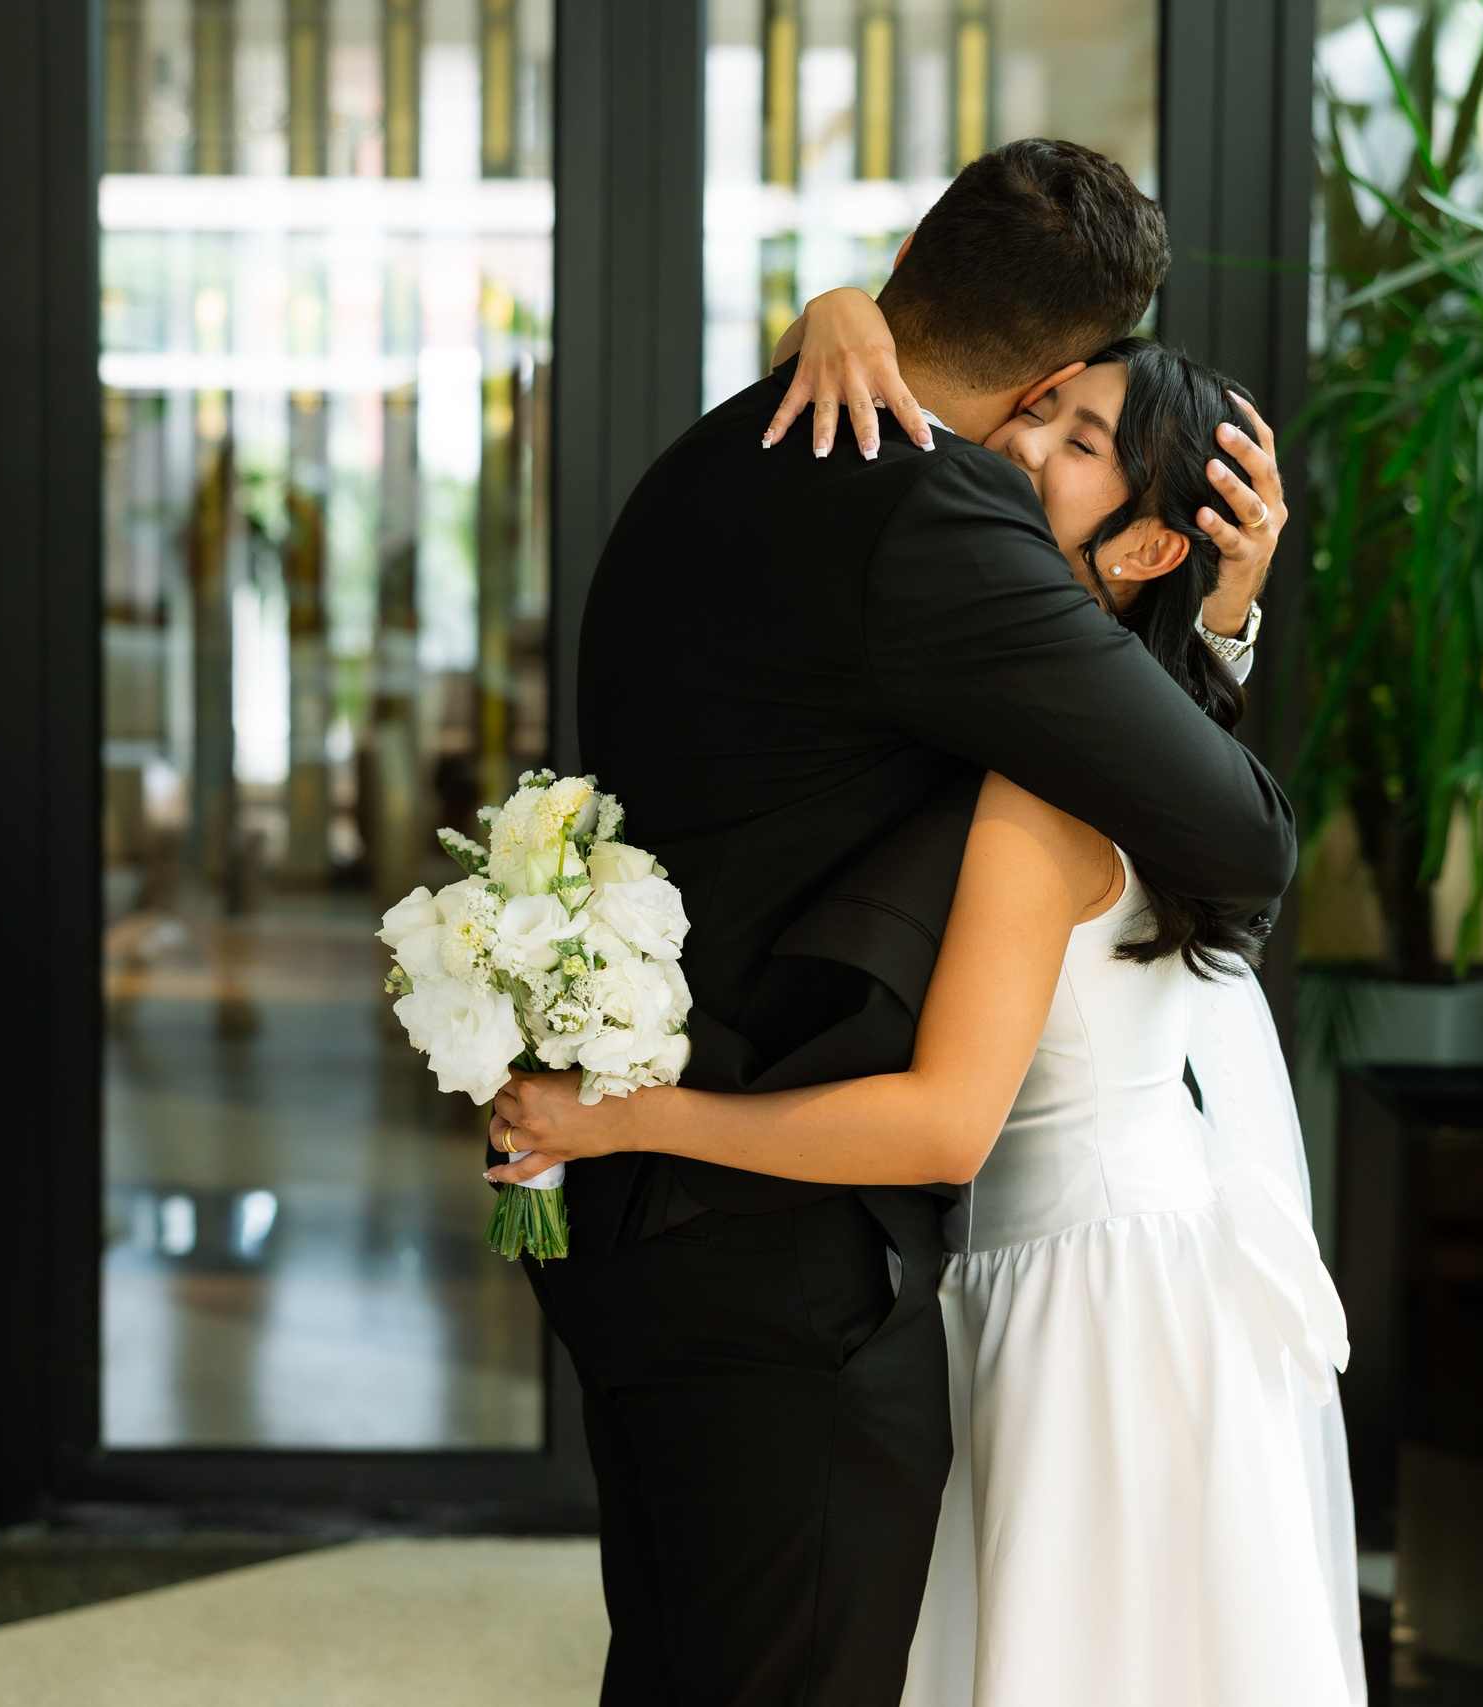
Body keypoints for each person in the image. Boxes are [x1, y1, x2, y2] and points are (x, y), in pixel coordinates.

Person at [513, 138, 1298, 1707]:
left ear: (911, 258)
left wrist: (838, 306)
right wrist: (1218, 618)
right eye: (1065, 415)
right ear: (1052, 371)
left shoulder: (716, 449)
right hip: (779, 1262)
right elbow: (1243, 838)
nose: (1049, 444)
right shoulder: (941, 520)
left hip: (632, 1235)